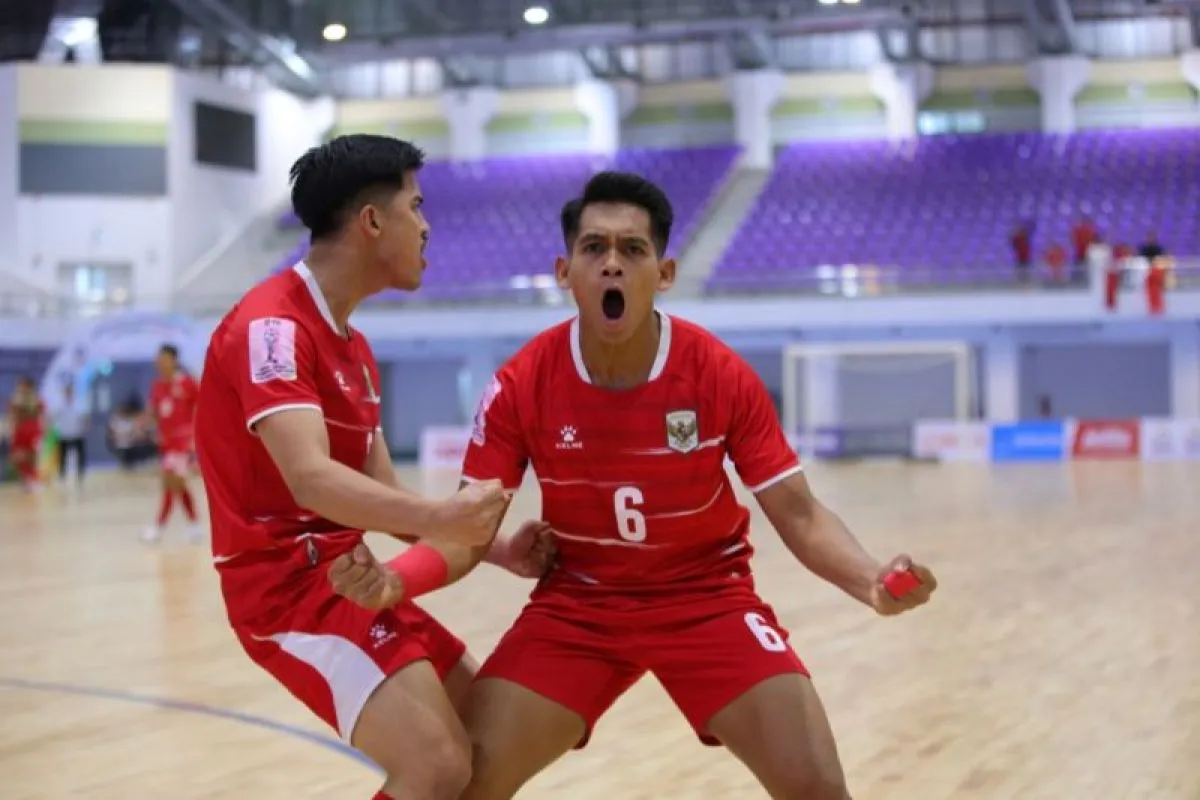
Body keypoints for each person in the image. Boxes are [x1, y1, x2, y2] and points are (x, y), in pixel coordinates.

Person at [329, 171, 939, 799]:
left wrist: (869, 580)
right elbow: (468, 530)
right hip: (578, 609)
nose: (612, 264)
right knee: (463, 786)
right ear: (565, 272)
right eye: (594, 248)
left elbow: (800, 514)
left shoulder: (719, 373)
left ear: (664, 273)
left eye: (633, 249)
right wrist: (398, 579)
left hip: (708, 600)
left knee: (817, 788)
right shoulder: (521, 383)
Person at [193, 134, 552, 800]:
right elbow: (311, 478)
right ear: (371, 221)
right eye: (415, 206)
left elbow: (380, 491)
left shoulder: (354, 349)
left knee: (489, 745)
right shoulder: (272, 329)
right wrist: (445, 515)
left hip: (347, 578)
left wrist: (497, 548)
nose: (426, 225)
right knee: (437, 764)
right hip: (286, 594)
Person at [142, 344, 203, 543]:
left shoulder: (187, 383)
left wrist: (196, 440)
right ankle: (194, 525)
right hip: (167, 445)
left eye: (164, 359)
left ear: (173, 360)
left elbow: (202, 408)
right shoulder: (157, 386)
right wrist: (143, 423)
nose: (160, 363)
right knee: (177, 485)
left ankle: (159, 527)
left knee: (170, 483)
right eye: (158, 360)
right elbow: (154, 413)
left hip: (183, 444)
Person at [6, 376, 45, 491]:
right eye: (21, 386)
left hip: (33, 429)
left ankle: (32, 478)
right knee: (18, 455)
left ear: (30, 387)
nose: (23, 388)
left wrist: (42, 430)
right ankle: (25, 478)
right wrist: (11, 429)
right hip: (20, 430)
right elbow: (12, 416)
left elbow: (41, 416)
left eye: (25, 386)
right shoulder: (15, 401)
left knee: (32, 455)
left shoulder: (37, 401)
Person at [51, 381, 89, 486]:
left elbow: (85, 417)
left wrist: (86, 426)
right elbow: (52, 418)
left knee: (80, 456)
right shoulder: (58, 404)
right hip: (64, 434)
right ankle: (62, 475)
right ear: (64, 393)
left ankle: (80, 475)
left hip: (77, 433)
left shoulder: (79, 404)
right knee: (63, 457)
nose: (69, 393)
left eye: (70, 392)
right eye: (67, 392)